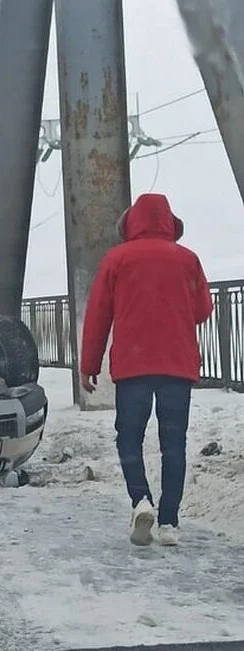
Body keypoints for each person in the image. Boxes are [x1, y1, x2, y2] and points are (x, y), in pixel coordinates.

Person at [80, 193, 212, 547]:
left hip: (133, 366)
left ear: (131, 223)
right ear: (169, 222)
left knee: (129, 437)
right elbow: (203, 310)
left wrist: (88, 366)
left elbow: (97, 317)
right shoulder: (188, 260)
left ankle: (141, 500)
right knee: (173, 443)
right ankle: (169, 522)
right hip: (177, 365)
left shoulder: (117, 259)